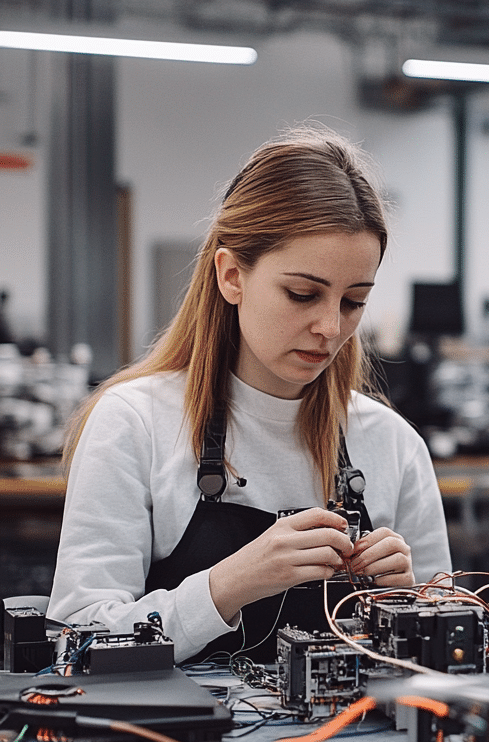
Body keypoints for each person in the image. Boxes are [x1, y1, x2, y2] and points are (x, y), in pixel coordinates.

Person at [49, 126, 451, 664]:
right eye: (302, 294)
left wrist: (408, 605)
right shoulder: (135, 423)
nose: (331, 327)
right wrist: (227, 586)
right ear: (232, 275)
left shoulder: (393, 444)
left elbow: (450, 652)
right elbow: (74, 642)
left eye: (354, 301)